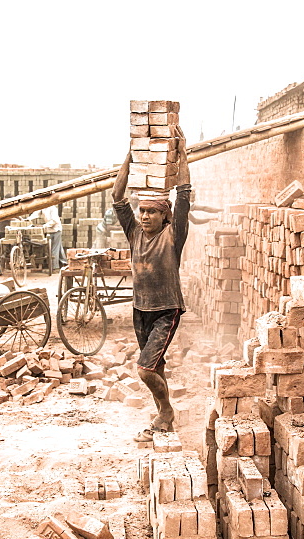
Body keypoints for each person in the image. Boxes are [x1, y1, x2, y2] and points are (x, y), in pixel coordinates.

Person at [111, 124, 192, 442]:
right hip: (139, 309)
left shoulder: (174, 236)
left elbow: (183, 194)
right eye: (141, 211)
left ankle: (166, 412)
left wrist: (182, 154)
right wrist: (133, 155)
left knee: (145, 369)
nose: (143, 216)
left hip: (166, 309)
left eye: (150, 212)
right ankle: (164, 417)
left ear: (165, 217)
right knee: (154, 366)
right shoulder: (133, 233)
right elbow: (117, 196)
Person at [28, 204, 66, 270]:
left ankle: (55, 267)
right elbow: (36, 213)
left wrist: (44, 226)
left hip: (56, 230)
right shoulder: (43, 208)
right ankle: (65, 262)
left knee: (54, 249)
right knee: (58, 247)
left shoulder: (52, 208)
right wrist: (29, 219)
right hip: (49, 230)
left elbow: (54, 221)